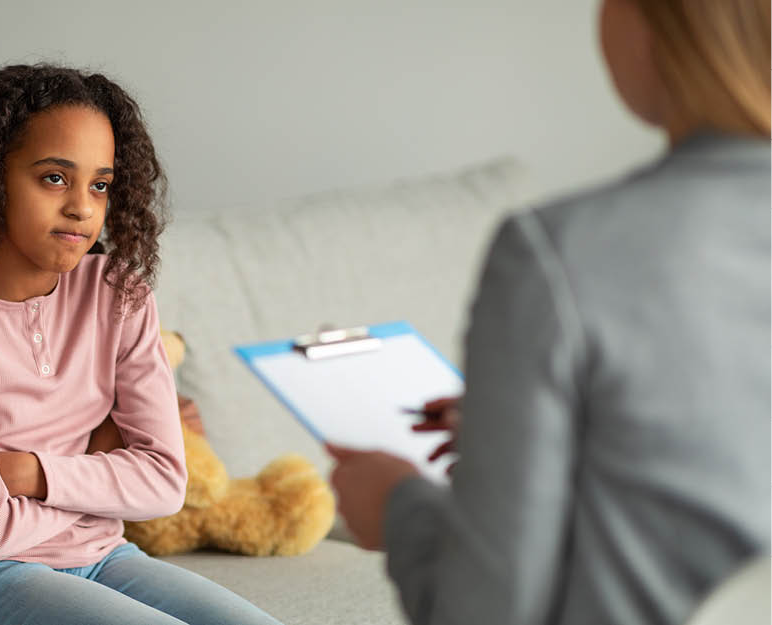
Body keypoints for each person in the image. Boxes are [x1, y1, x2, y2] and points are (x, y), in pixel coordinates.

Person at [327, 1, 771, 624]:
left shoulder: (557, 252)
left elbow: (483, 615)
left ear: (660, 26)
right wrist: (542, 431)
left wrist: (398, 506)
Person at [0, 64, 282, 625]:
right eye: (54, 178)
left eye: (100, 184)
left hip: (102, 556)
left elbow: (165, 483)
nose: (82, 207)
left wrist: (34, 475)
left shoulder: (120, 295)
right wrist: (98, 475)